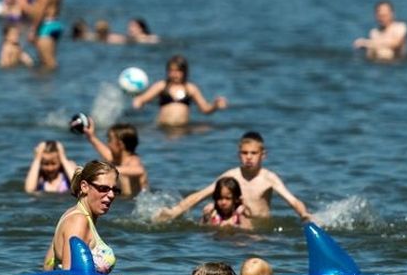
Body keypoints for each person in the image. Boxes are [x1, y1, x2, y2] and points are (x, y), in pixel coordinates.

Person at [157, 132, 314, 223]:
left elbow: (292, 200)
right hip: (235, 222)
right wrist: (175, 211)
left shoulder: (269, 178)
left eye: (253, 153)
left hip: (258, 227)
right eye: (244, 153)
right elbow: (200, 195)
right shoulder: (231, 175)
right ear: (238, 155)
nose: (249, 158)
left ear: (263, 155)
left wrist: (303, 214)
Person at [43, 160, 120, 274]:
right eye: (103, 188)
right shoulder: (78, 221)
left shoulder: (72, 214)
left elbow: (47, 266)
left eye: (114, 190)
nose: (111, 195)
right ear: (84, 186)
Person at [131, 55, 227, 126]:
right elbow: (142, 99)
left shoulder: (190, 88)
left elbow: (205, 109)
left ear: (184, 72)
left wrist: (215, 105)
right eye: (171, 71)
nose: (174, 74)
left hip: (183, 129)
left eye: (178, 71)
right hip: (163, 129)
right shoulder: (162, 86)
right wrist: (138, 102)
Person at [82, 120, 148, 196]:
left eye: (110, 140)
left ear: (120, 145)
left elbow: (140, 170)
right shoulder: (119, 160)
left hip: (139, 204)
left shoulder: (133, 160)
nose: (108, 144)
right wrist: (91, 137)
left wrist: (108, 170)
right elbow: (107, 154)